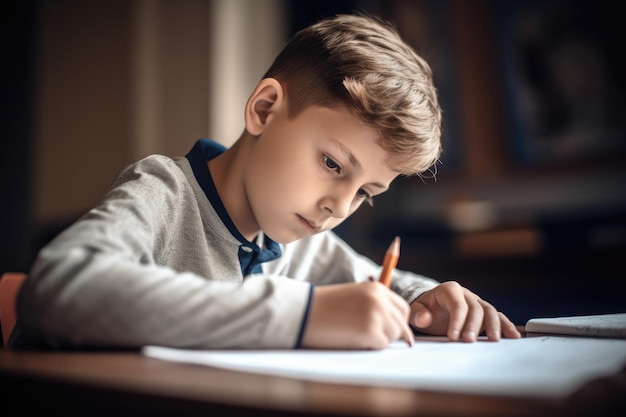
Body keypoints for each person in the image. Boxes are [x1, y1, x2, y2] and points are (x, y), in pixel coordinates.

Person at [10, 14, 520, 351]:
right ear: (264, 109)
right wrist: (301, 315)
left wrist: (425, 300)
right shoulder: (164, 191)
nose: (336, 207)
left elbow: (372, 284)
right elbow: (57, 286)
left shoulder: (298, 244)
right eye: (333, 165)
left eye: (365, 192)